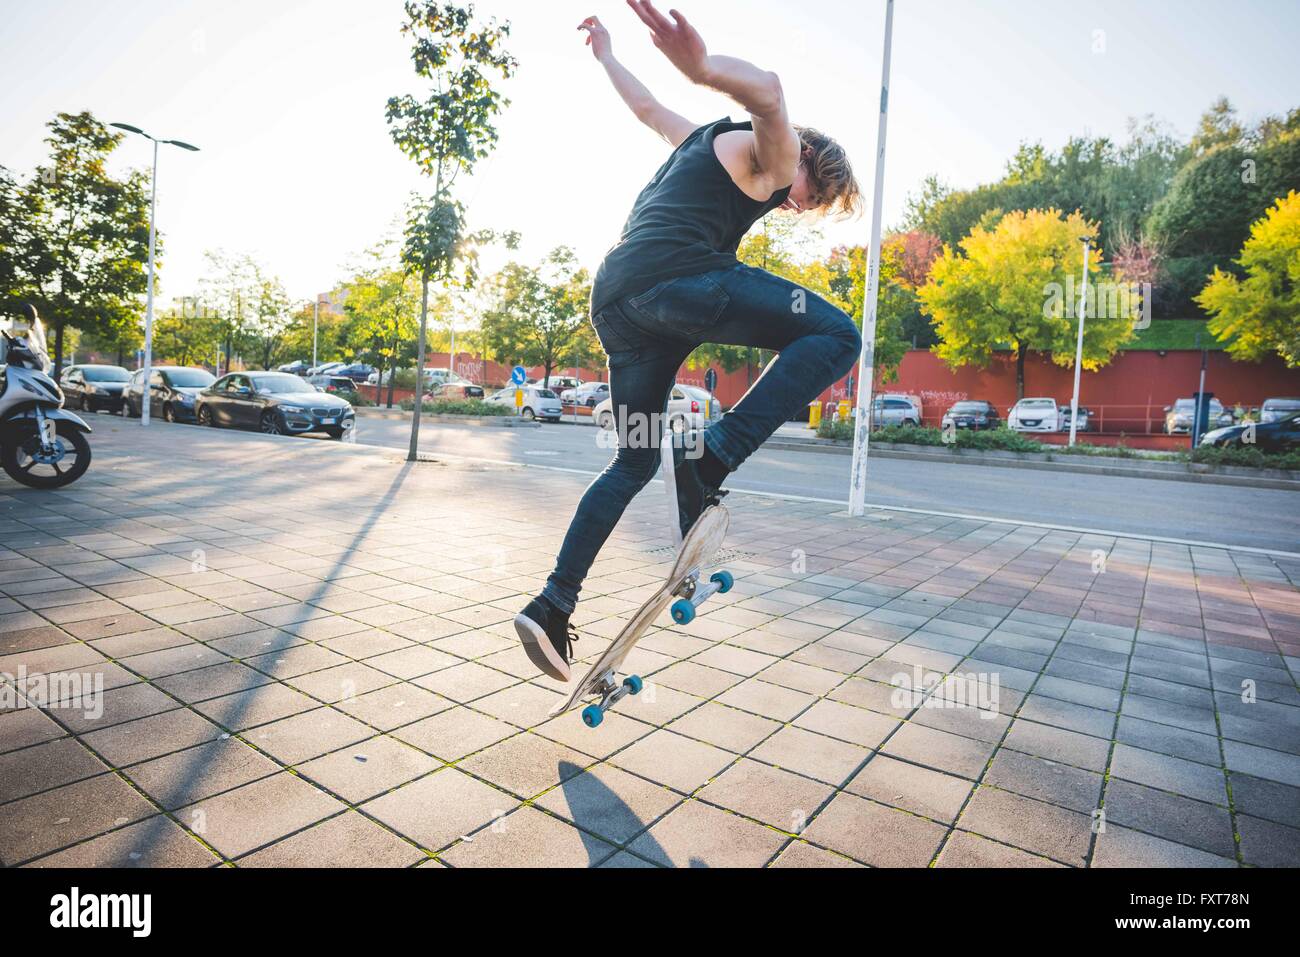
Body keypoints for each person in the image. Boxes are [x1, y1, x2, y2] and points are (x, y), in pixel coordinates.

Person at [515, 1, 863, 681]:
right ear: (810, 158)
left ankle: (553, 605)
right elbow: (770, 90)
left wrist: (609, 55)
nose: (796, 206)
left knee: (632, 465)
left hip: (619, 306)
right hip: (677, 286)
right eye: (811, 195)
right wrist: (702, 65)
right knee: (836, 332)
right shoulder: (780, 150)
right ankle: (711, 458)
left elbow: (647, 108)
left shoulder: (697, 139)